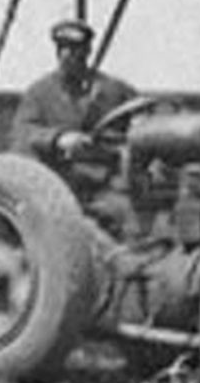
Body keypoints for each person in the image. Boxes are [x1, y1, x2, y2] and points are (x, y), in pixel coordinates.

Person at [12, 17, 138, 234]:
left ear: (87, 51)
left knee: (132, 214)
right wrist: (58, 139)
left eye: (74, 49)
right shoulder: (40, 93)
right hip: (61, 186)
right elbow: (23, 132)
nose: (66, 55)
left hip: (106, 182)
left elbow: (141, 118)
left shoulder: (113, 90)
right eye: (61, 48)